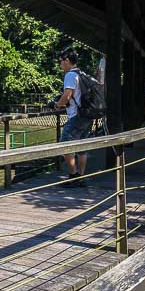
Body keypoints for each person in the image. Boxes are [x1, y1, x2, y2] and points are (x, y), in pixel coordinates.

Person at [54, 47, 91, 186]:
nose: (60, 64)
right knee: (82, 147)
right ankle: (80, 176)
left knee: (65, 145)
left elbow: (67, 95)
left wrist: (58, 104)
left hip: (76, 116)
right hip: (86, 115)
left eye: (61, 61)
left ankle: (73, 176)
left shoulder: (70, 75)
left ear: (67, 60)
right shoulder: (81, 73)